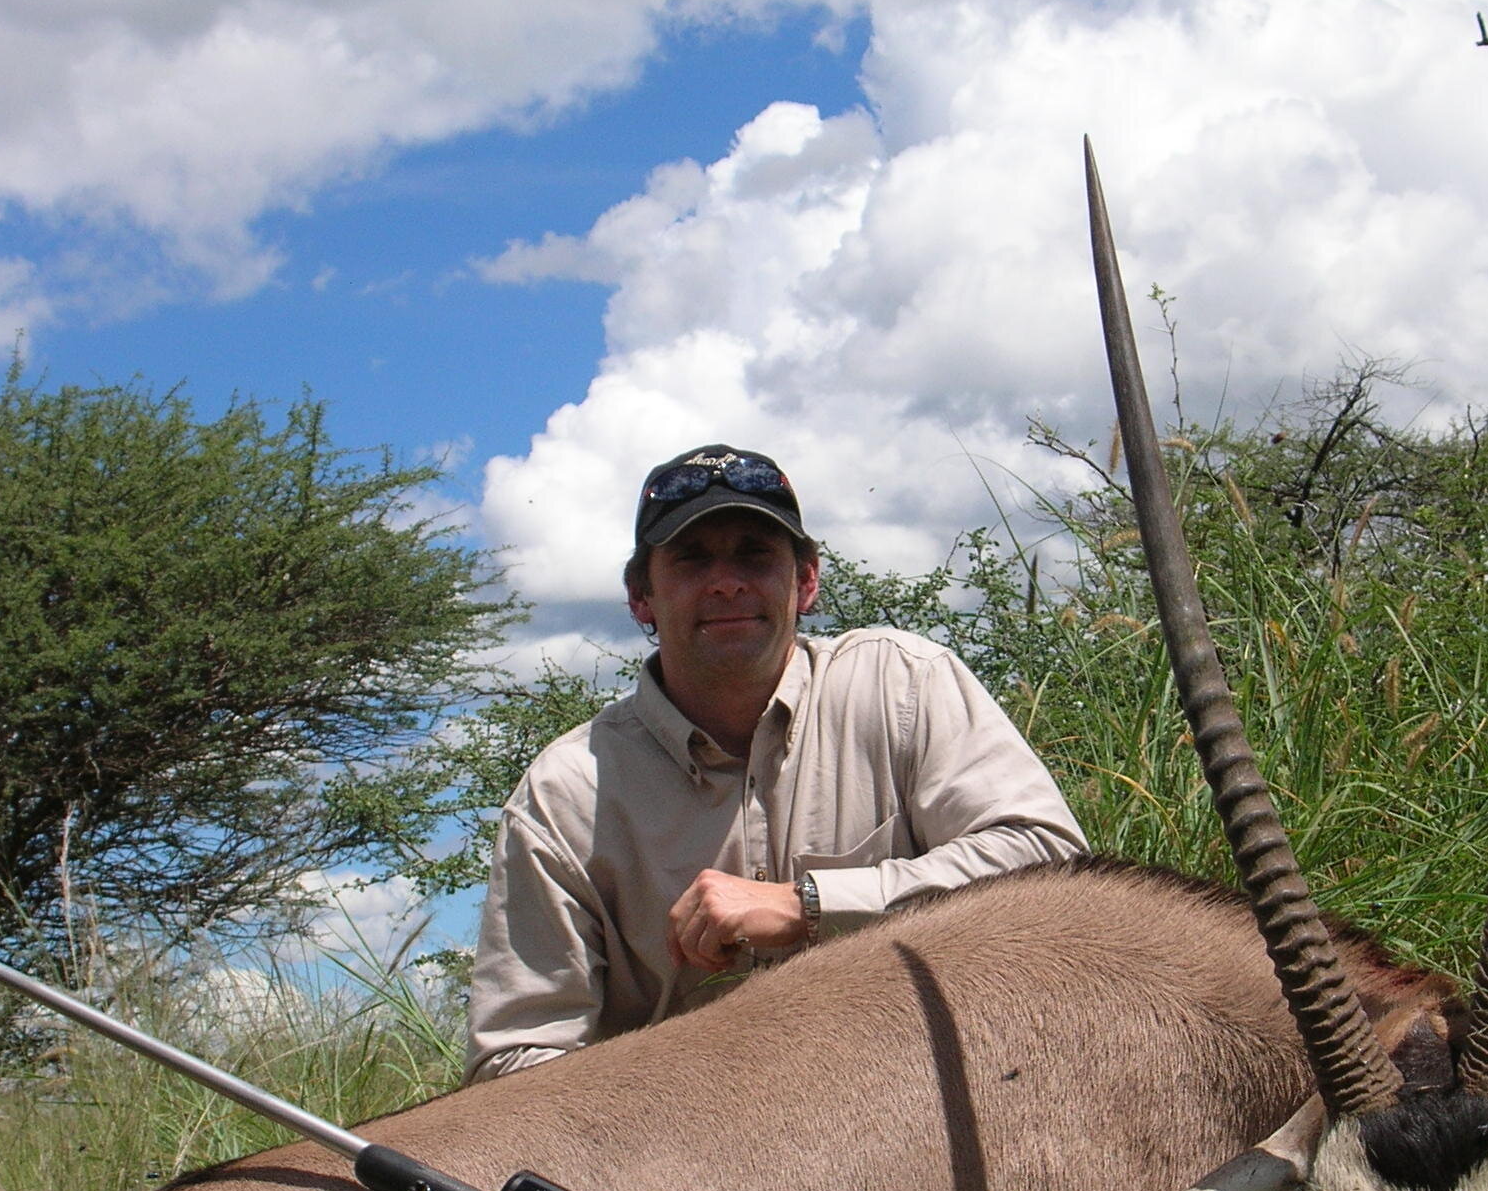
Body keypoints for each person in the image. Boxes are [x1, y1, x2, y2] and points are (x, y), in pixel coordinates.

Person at [464, 443, 1086, 1083]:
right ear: (640, 597)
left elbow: (1054, 864)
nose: (727, 582)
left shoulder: (903, 684)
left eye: (755, 555)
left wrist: (810, 905)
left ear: (806, 581)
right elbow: (514, 1060)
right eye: (691, 558)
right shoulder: (564, 794)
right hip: (687, 1130)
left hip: (922, 1094)